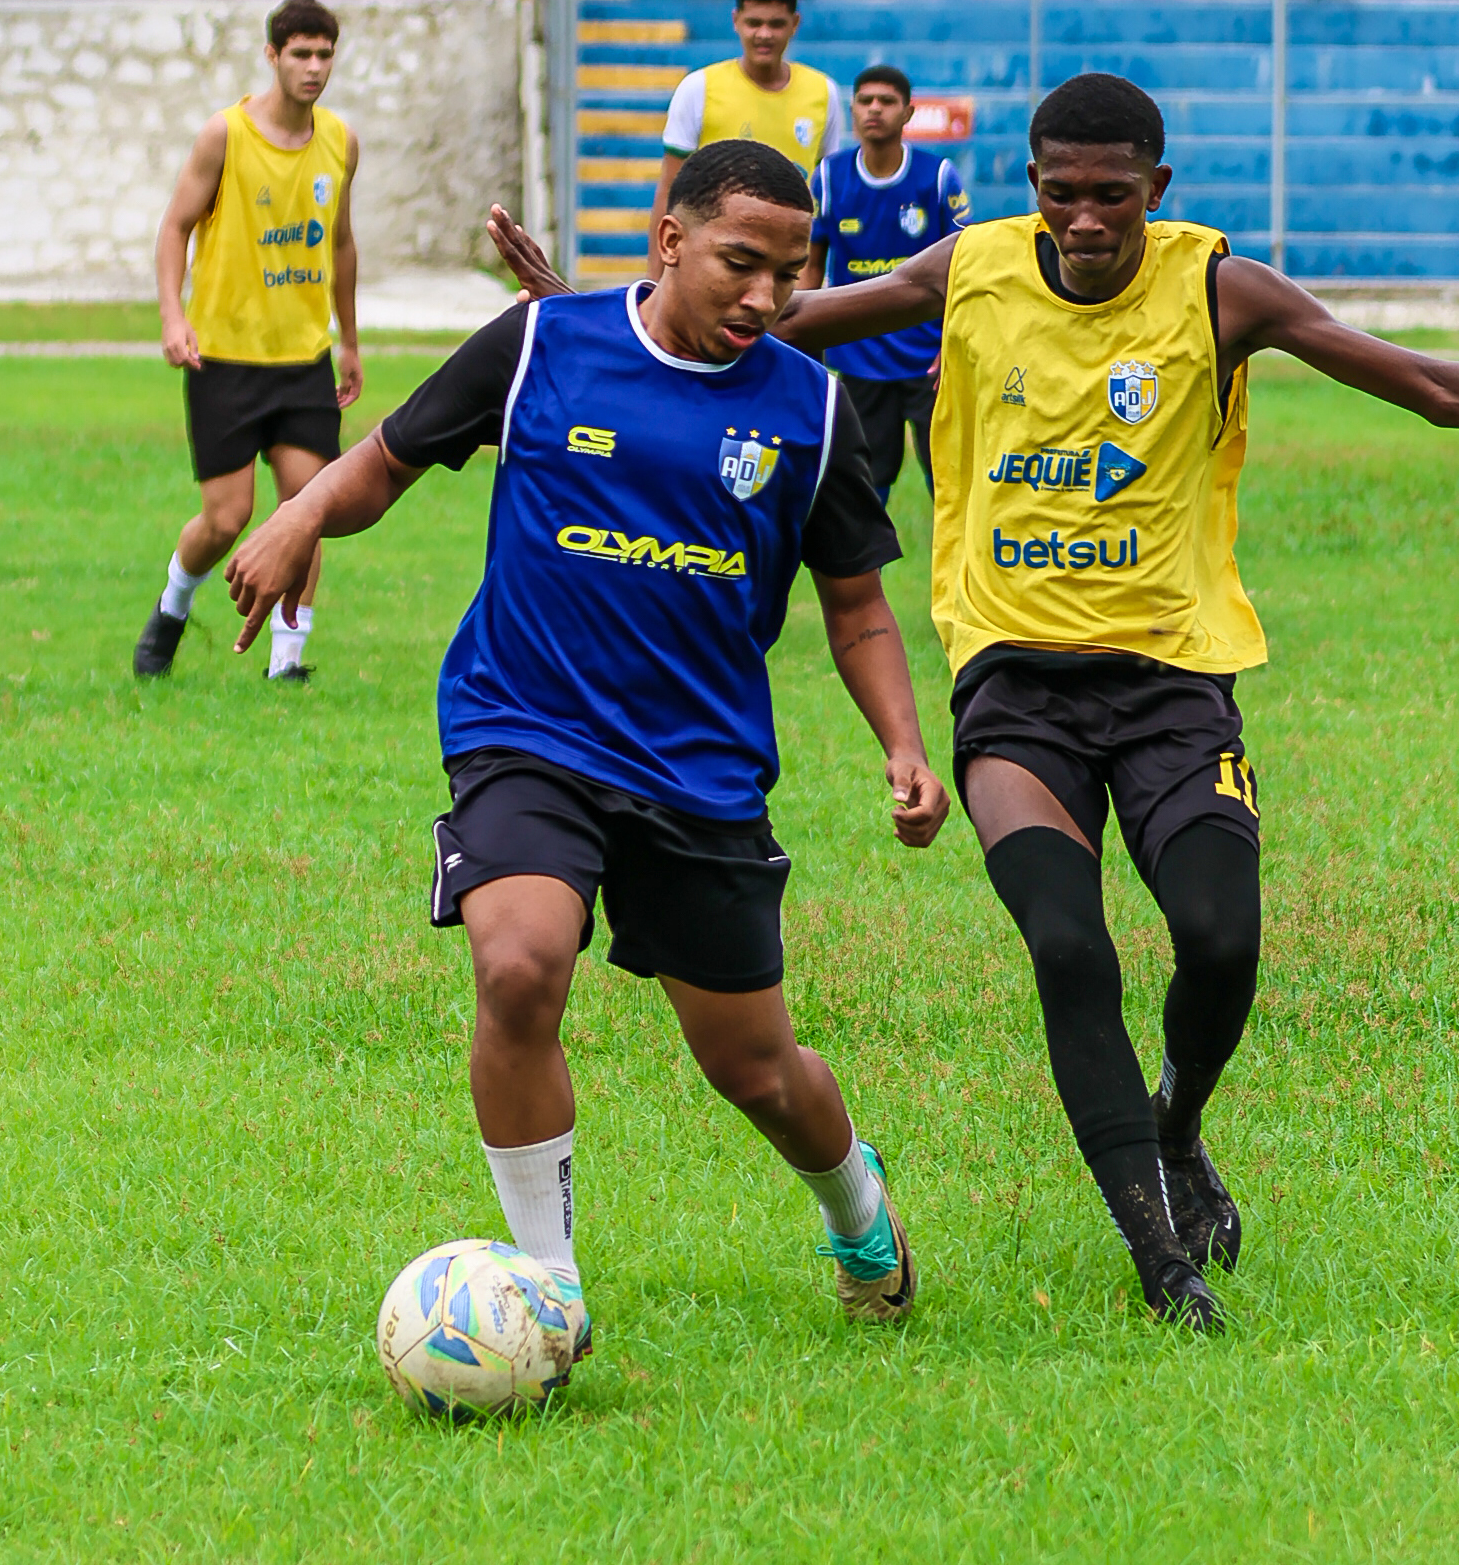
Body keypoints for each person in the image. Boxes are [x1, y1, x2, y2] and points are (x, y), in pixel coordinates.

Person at [485, 72, 1459, 1330]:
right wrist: (586, 322)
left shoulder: (1220, 287)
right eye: (1060, 192)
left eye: (1110, 195)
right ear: (1031, 188)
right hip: (1013, 685)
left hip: (1176, 681)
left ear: (1155, 191)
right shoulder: (969, 268)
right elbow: (771, 318)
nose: (1083, 217)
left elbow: (1413, 379)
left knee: (1221, 940)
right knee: (1069, 947)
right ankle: (1157, 1257)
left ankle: (1177, 1127)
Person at [224, 139, 953, 1366]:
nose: (767, 299)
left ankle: (855, 1210)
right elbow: (387, 459)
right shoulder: (540, 346)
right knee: (517, 966)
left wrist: (903, 745)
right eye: (741, 263)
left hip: (701, 770)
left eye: (790, 272)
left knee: (757, 1068)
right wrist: (298, 511)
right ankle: (545, 1293)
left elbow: (856, 605)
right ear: (667, 236)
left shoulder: (811, 409)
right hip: (528, 728)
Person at [134, 0, 363, 683]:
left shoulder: (340, 141)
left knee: (309, 507)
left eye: (325, 54)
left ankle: (286, 664)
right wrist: (175, 318)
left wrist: (349, 340)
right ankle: (173, 608)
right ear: (273, 57)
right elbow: (175, 226)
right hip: (225, 358)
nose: (315, 67)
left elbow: (343, 244)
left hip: (302, 359)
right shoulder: (225, 135)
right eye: (301, 54)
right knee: (227, 518)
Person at [800, 63, 970, 502]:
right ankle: (866, 571)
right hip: (860, 358)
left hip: (929, 363)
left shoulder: (936, 177)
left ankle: (954, 572)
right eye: (865, 100)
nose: (875, 109)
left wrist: (952, 346)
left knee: (948, 483)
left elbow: (963, 266)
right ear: (852, 110)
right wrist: (804, 345)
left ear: (908, 113)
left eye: (887, 101)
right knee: (865, 491)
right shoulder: (828, 179)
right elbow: (810, 268)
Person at [649, 0, 843, 281]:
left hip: (785, 271)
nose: (764, 34)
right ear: (736, 20)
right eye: (754, 23)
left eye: (776, 24)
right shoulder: (698, 88)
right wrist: (654, 282)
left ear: (795, 24)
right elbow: (668, 193)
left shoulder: (824, 94)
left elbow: (825, 198)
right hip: (713, 265)